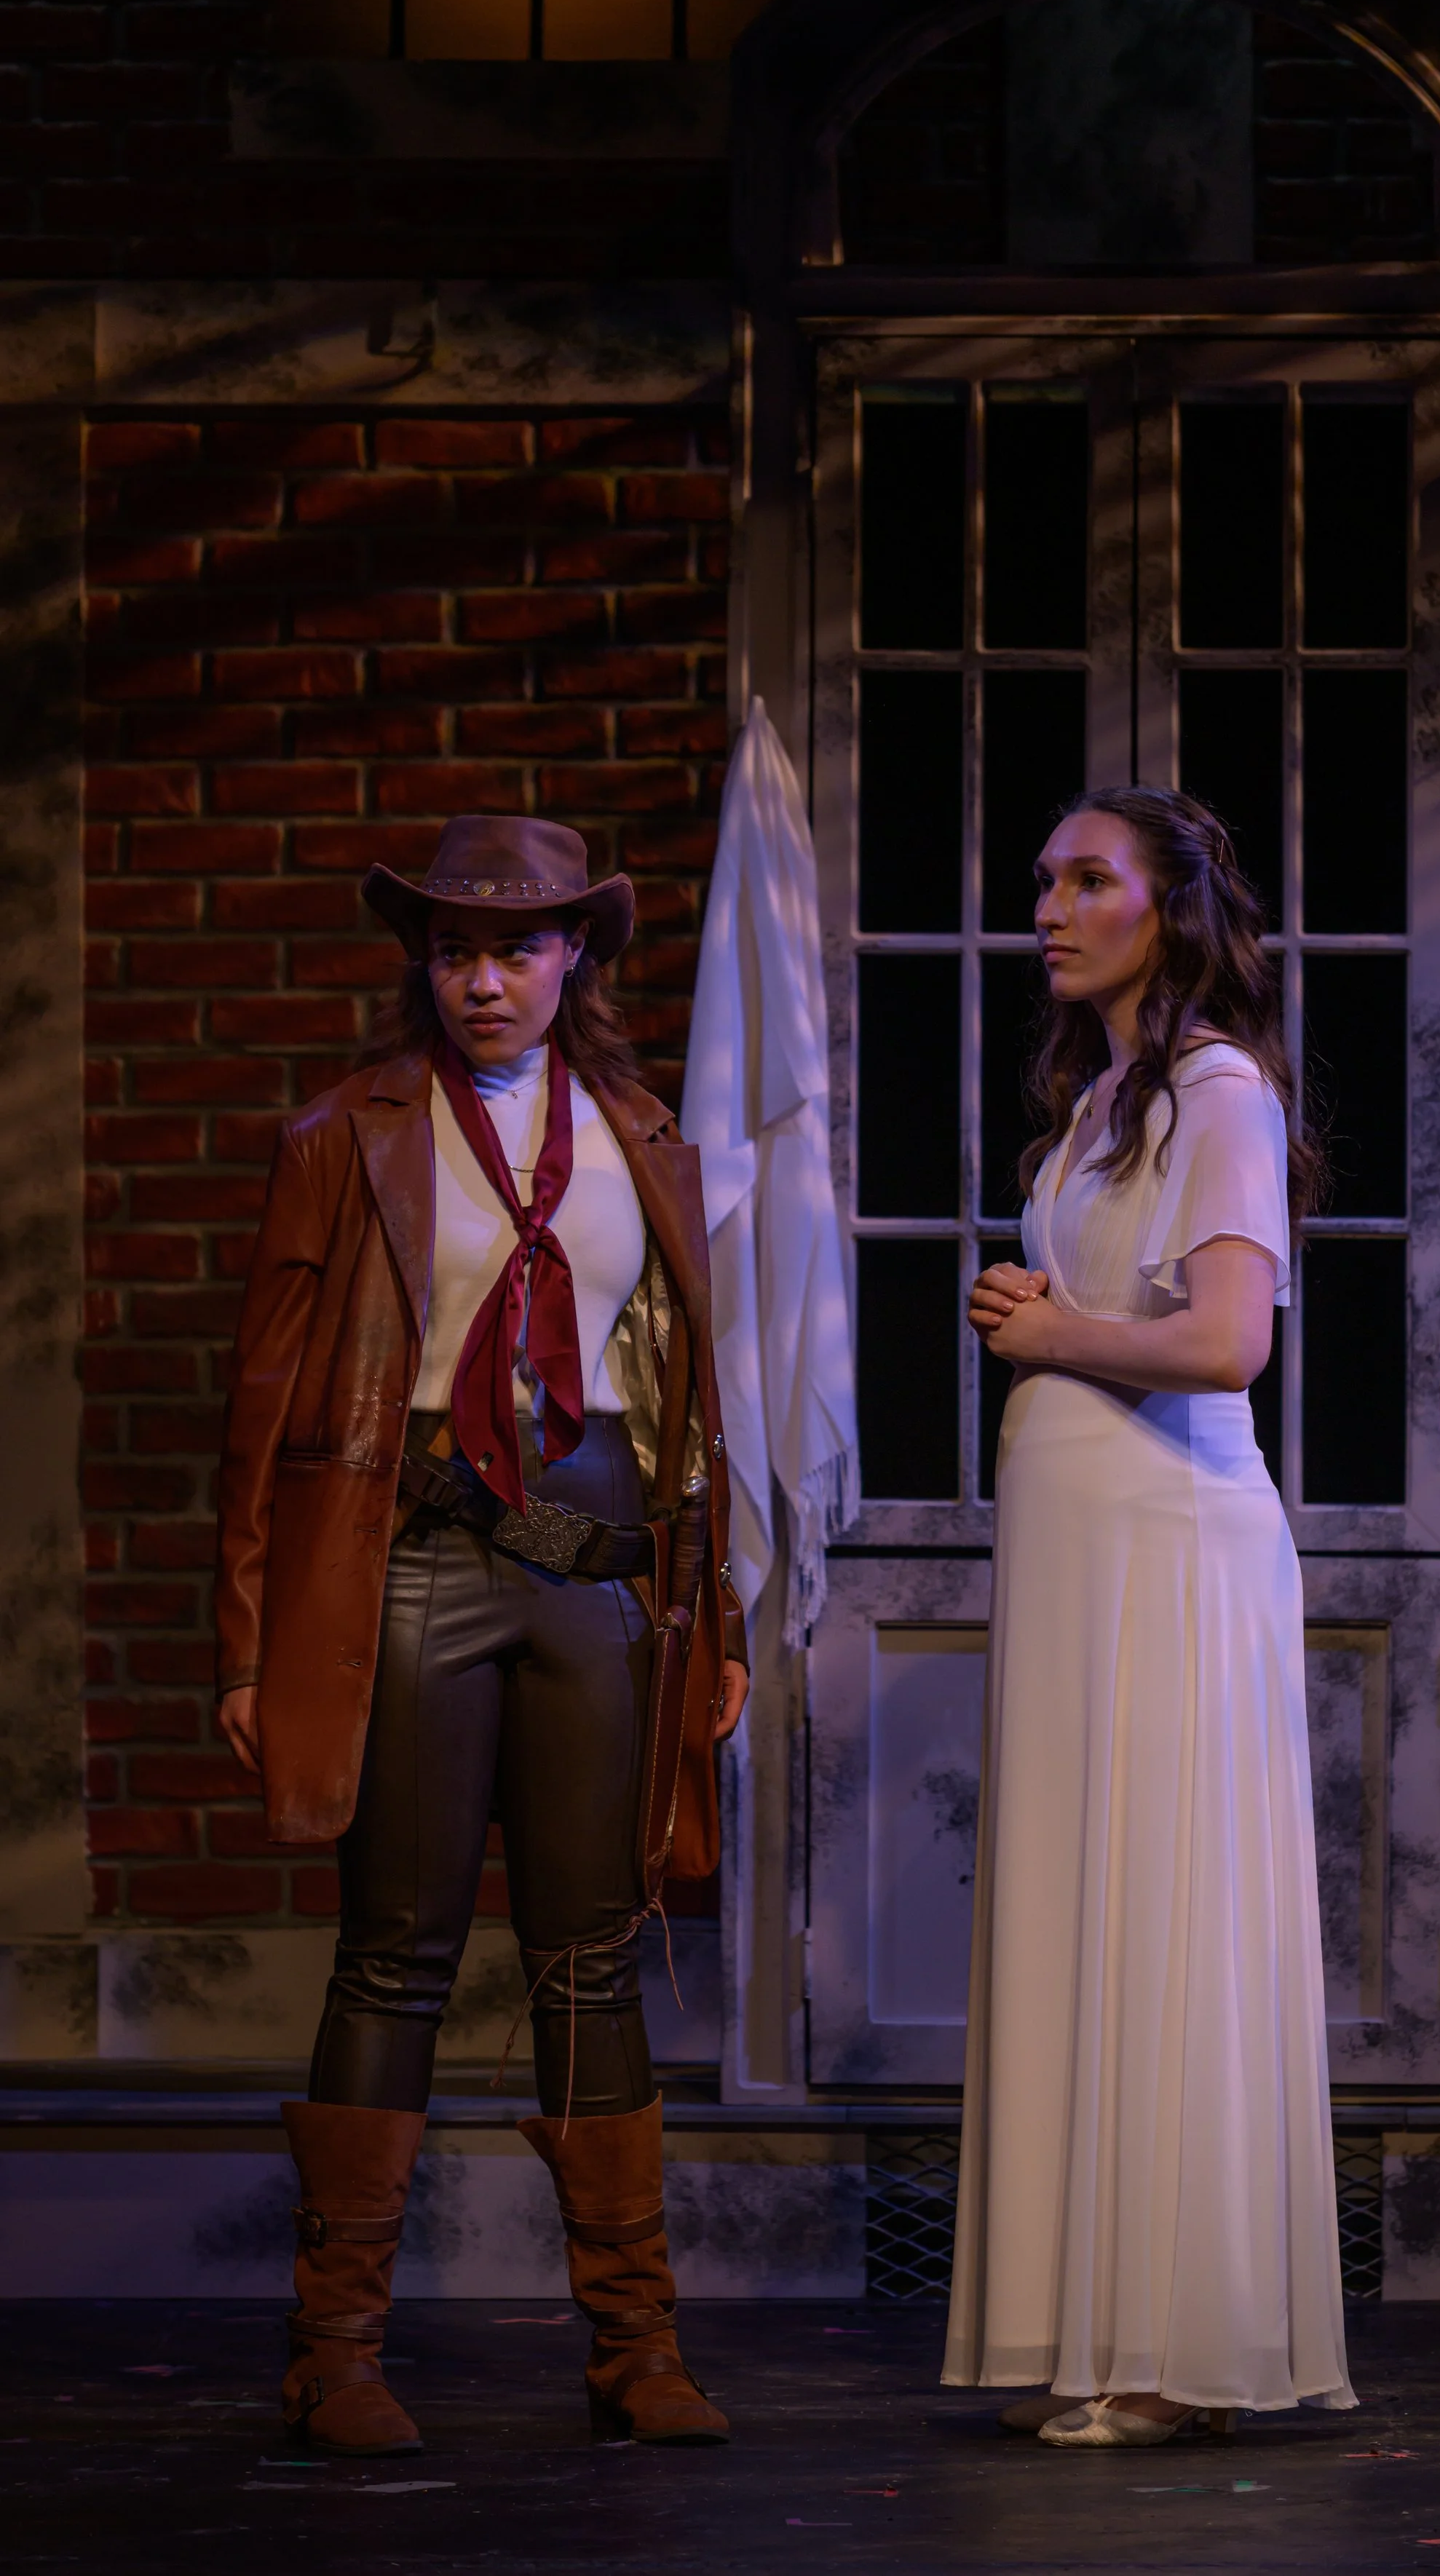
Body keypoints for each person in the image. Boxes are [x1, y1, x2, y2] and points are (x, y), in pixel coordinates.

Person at [213, 814, 748, 2456]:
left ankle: (635, 2346)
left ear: (575, 955)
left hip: (595, 1573)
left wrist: (715, 1612)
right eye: (454, 951)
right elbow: (262, 1407)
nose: (485, 980)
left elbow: (691, 1405)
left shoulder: (642, 1136)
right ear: (423, 966)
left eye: (516, 948)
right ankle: (334, 2352)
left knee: (594, 1954)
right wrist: (247, 1643)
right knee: (397, 1951)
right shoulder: (345, 1135)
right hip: (419, 1558)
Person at [943, 785, 1356, 2446]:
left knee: (1164, 1913)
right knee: (1085, 1908)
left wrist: (1052, 1336)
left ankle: (1174, 2349)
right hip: (1082, 1554)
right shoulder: (1105, 1100)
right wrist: (1043, 1315)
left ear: (1167, 908)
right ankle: (1096, 2327)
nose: (1049, 906)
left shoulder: (1213, 1088)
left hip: (1171, 1548)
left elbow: (1227, 1344)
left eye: (1087, 879)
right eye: (1043, 880)